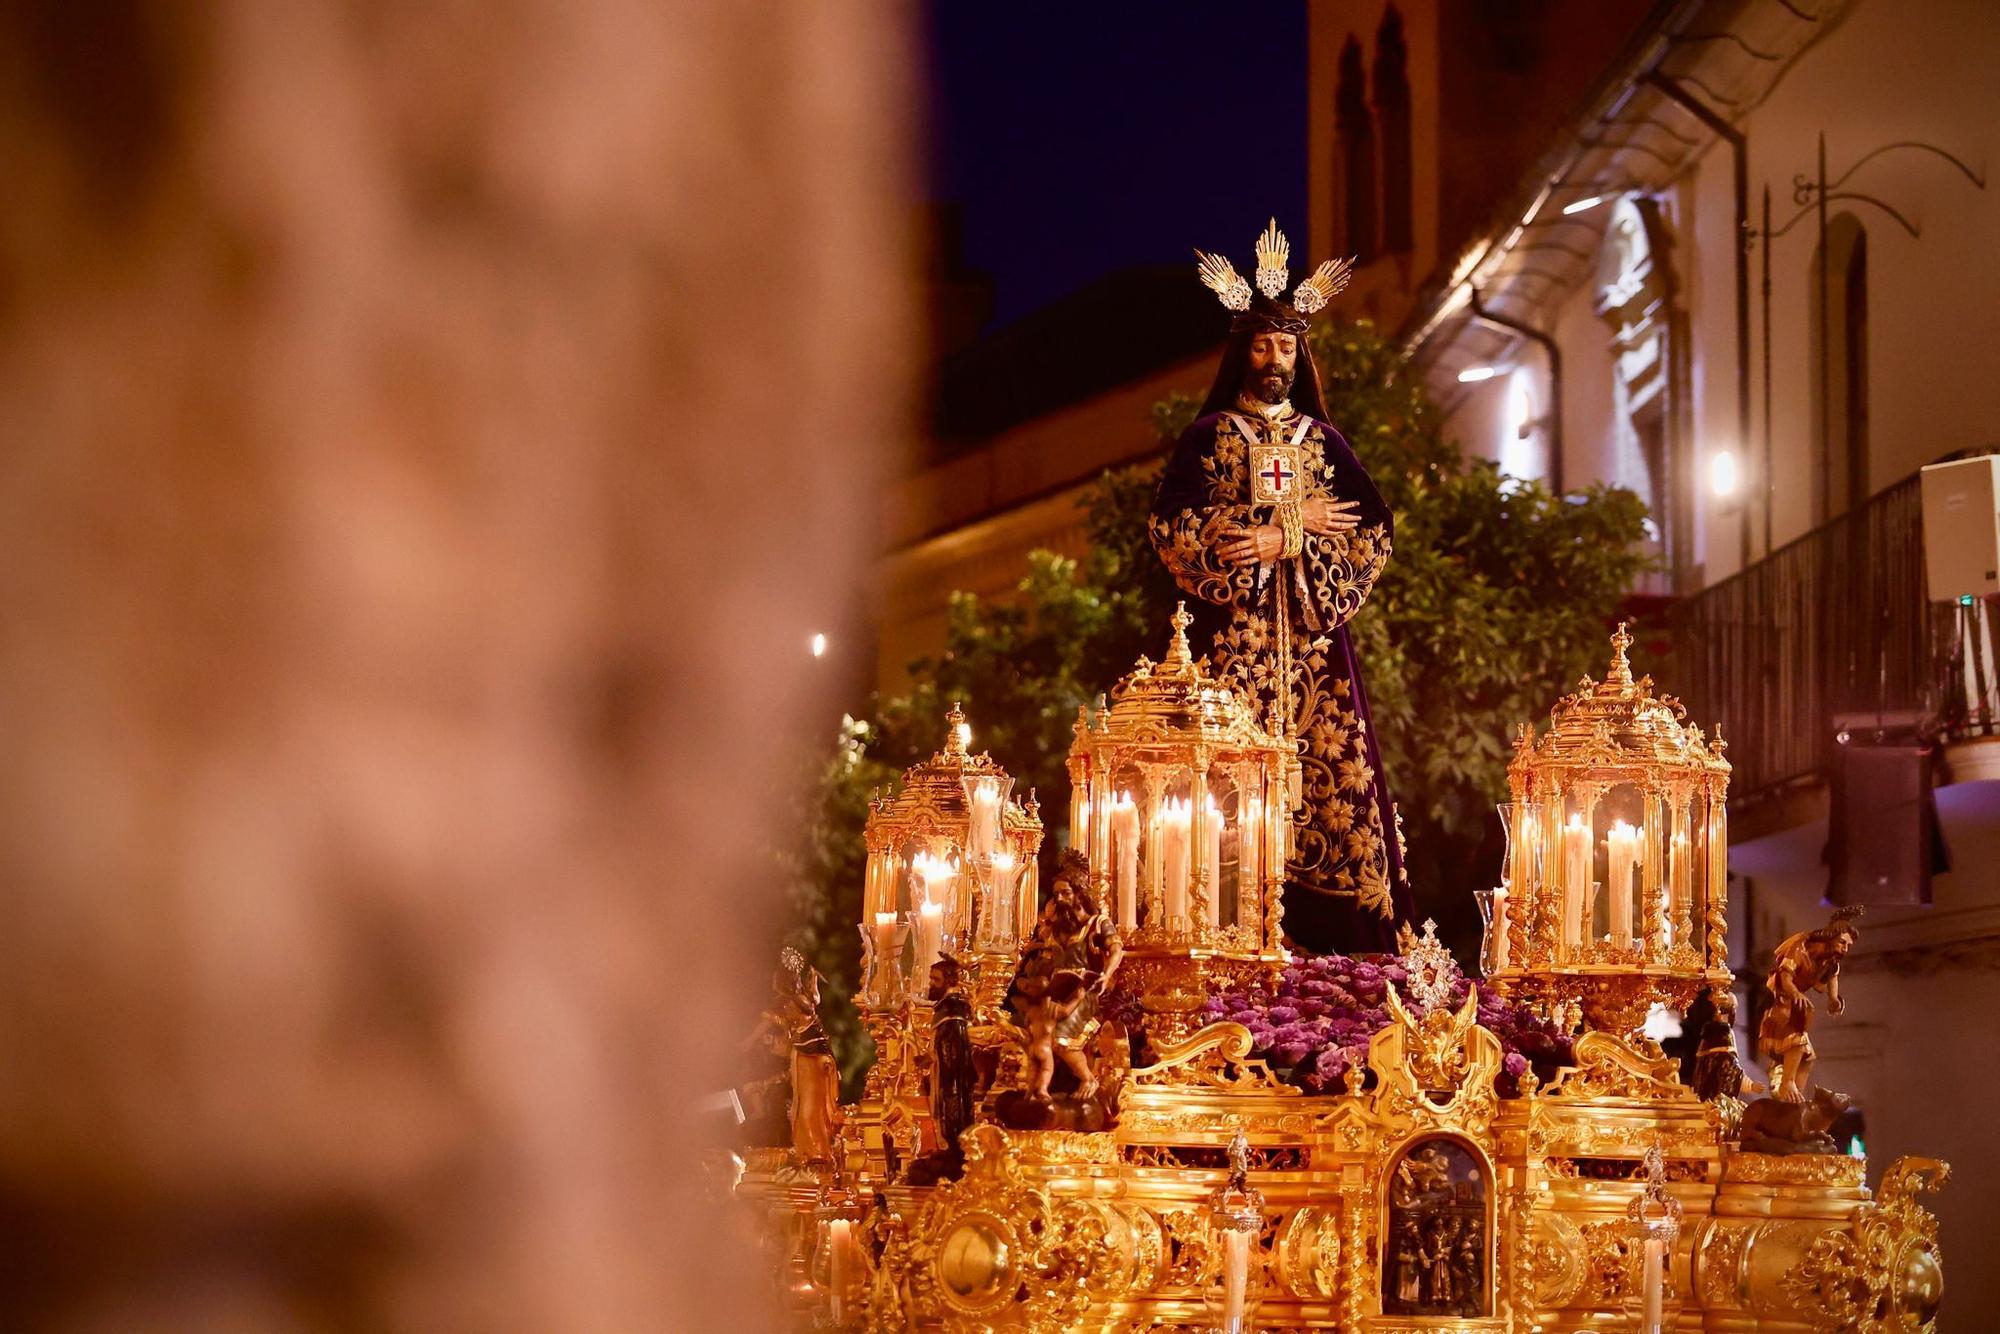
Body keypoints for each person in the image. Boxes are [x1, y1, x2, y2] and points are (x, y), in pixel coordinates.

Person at [1149, 220, 1413, 953]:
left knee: (1337, 788)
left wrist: (1290, 534)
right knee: (1222, 797)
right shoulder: (1210, 437)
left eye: (1287, 348)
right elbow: (1171, 526)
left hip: (1317, 653)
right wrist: (1270, 532)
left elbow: (1372, 528)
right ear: (1243, 351)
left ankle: (1344, 951)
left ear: (1302, 355)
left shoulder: (1323, 444)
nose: (1276, 361)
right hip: (1233, 648)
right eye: (1264, 346)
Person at [1757, 906, 1862, 1102]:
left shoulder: (1830, 961)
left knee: (1808, 1057)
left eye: (1848, 946)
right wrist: (1795, 993)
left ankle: (1794, 1098)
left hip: (1794, 1006)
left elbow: (1832, 980)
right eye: (1842, 943)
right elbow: (1785, 977)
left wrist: (1834, 1000)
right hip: (1778, 1002)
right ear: (1831, 938)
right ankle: (1787, 1082)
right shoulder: (1800, 947)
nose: (1845, 949)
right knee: (1798, 1041)